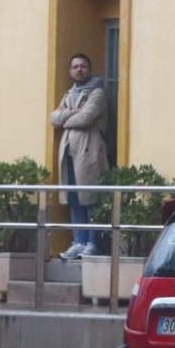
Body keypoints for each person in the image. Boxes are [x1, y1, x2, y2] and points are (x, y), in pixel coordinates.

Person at [49, 53, 109, 259]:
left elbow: (86, 117)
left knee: (90, 198)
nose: (79, 69)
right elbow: (53, 118)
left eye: (83, 66)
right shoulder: (68, 94)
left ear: (89, 69)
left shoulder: (97, 92)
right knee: (74, 199)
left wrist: (67, 116)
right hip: (69, 154)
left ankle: (92, 242)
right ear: (70, 71)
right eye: (75, 66)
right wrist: (69, 113)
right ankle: (78, 241)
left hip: (89, 152)